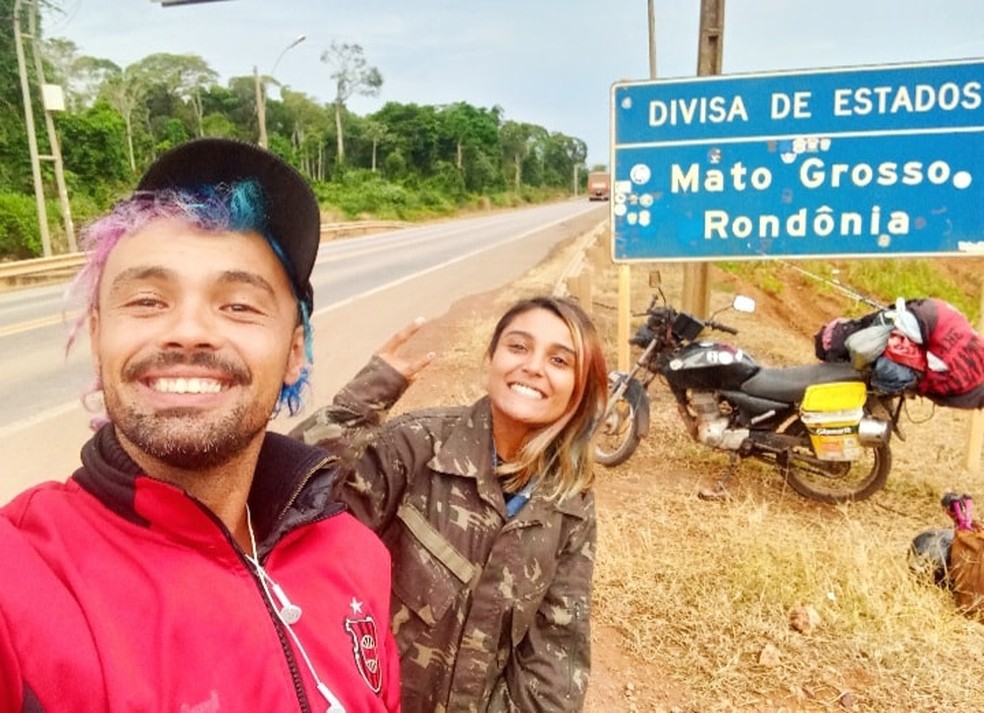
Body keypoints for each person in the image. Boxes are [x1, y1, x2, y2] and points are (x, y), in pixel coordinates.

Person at [0, 138, 400, 712]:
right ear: (97, 338)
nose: (188, 331)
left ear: (294, 352)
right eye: (145, 300)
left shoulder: (354, 556)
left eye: (238, 305)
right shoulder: (24, 580)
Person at [292, 294, 609, 711]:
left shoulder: (569, 501)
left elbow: (555, 657)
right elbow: (292, 502)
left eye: (559, 361)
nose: (533, 366)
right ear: (491, 359)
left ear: (578, 388)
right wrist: (360, 404)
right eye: (518, 346)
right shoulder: (416, 445)